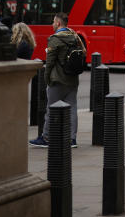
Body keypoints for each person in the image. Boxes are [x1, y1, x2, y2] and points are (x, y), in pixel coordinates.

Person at [30, 12, 82, 148]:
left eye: (53, 22)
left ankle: (46, 137)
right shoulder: (75, 36)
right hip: (73, 78)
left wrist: (47, 79)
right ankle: (72, 139)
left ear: (58, 23)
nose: (52, 24)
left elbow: (50, 62)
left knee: (51, 108)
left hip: (58, 79)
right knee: (72, 108)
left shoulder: (55, 39)